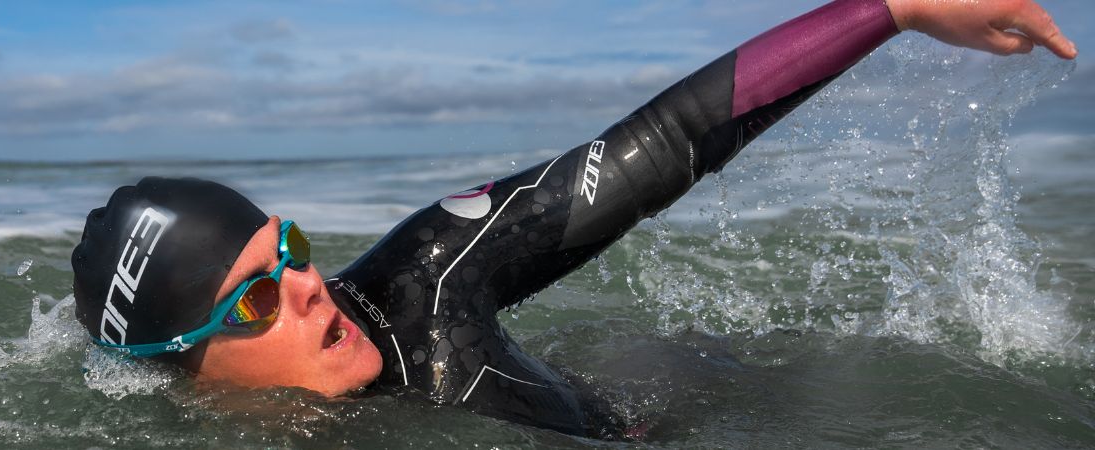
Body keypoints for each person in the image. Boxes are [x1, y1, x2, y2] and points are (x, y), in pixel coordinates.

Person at [70, 0, 1077, 440]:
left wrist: (890, 8)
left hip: (696, 406)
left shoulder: (429, 280)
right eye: (254, 298)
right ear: (182, 370)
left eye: (284, 249)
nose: (304, 284)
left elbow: (666, 139)